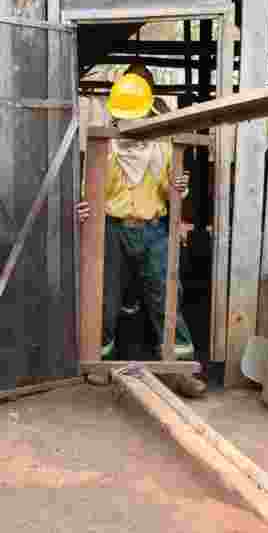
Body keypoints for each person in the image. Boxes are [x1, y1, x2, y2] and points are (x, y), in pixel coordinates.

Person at [77, 64, 207, 398]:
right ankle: (99, 364)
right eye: (123, 118)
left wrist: (180, 187)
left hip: (153, 230)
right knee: (105, 298)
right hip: (113, 230)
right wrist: (82, 207)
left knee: (167, 297)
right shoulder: (103, 147)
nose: (129, 124)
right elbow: (90, 195)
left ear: (148, 111)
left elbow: (170, 192)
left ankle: (180, 370)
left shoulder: (163, 146)